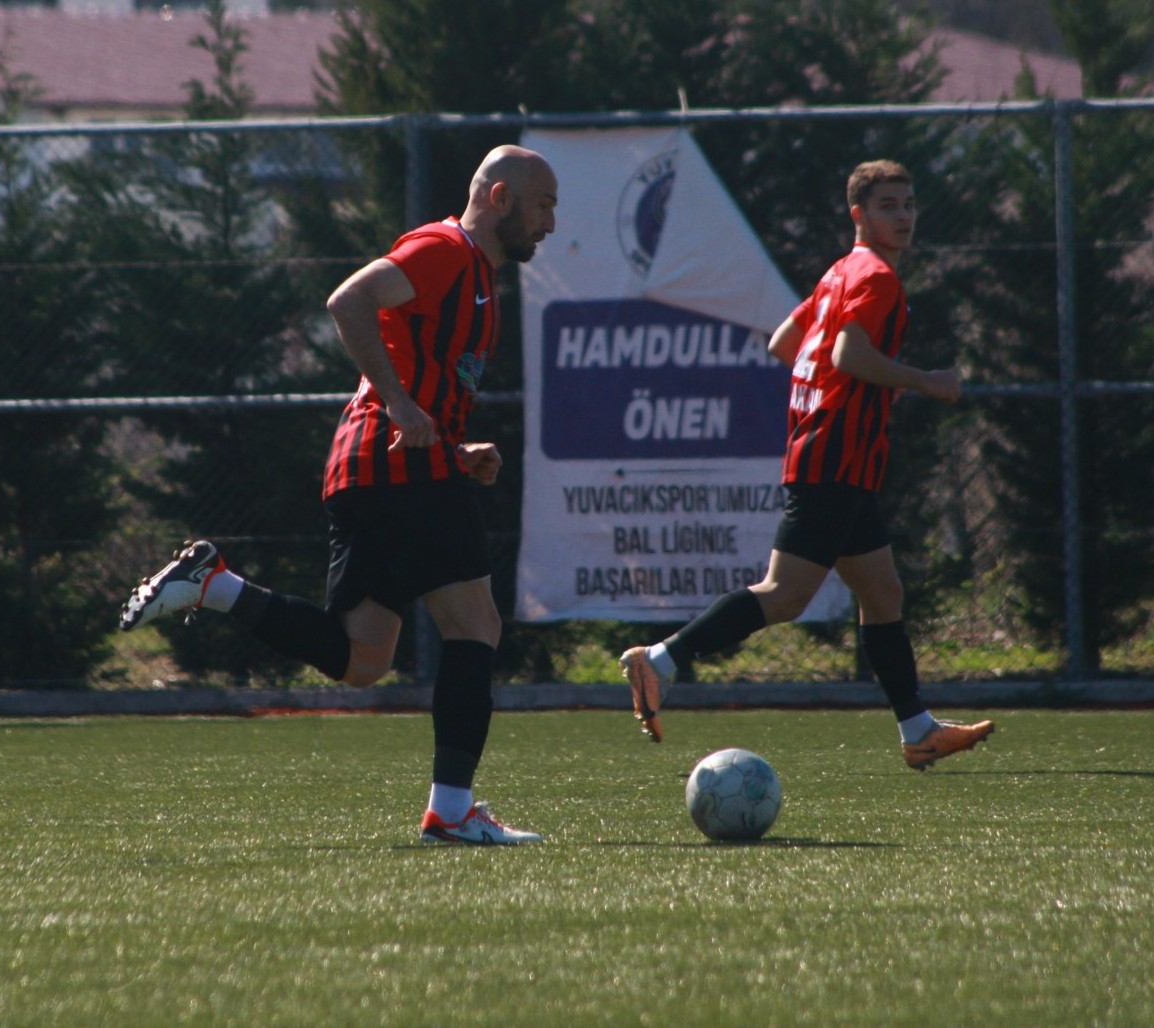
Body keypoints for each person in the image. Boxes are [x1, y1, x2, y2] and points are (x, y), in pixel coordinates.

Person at [119, 145, 559, 843]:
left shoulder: (478, 277)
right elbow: (348, 299)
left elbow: (421, 381)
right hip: (396, 467)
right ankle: (450, 814)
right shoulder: (447, 249)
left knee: (363, 660)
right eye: (543, 205)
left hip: (376, 466)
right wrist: (405, 408)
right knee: (475, 627)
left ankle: (215, 584)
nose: (551, 223)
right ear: (500, 197)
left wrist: (453, 446)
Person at [619, 159, 994, 771]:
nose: (902, 217)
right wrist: (923, 380)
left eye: (907, 204)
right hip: (835, 459)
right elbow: (848, 354)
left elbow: (784, 344)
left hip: (839, 459)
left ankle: (918, 730)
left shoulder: (841, 272)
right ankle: (658, 660)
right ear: (859, 216)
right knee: (784, 594)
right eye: (887, 207)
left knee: (882, 590)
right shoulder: (876, 277)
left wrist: (838, 384)